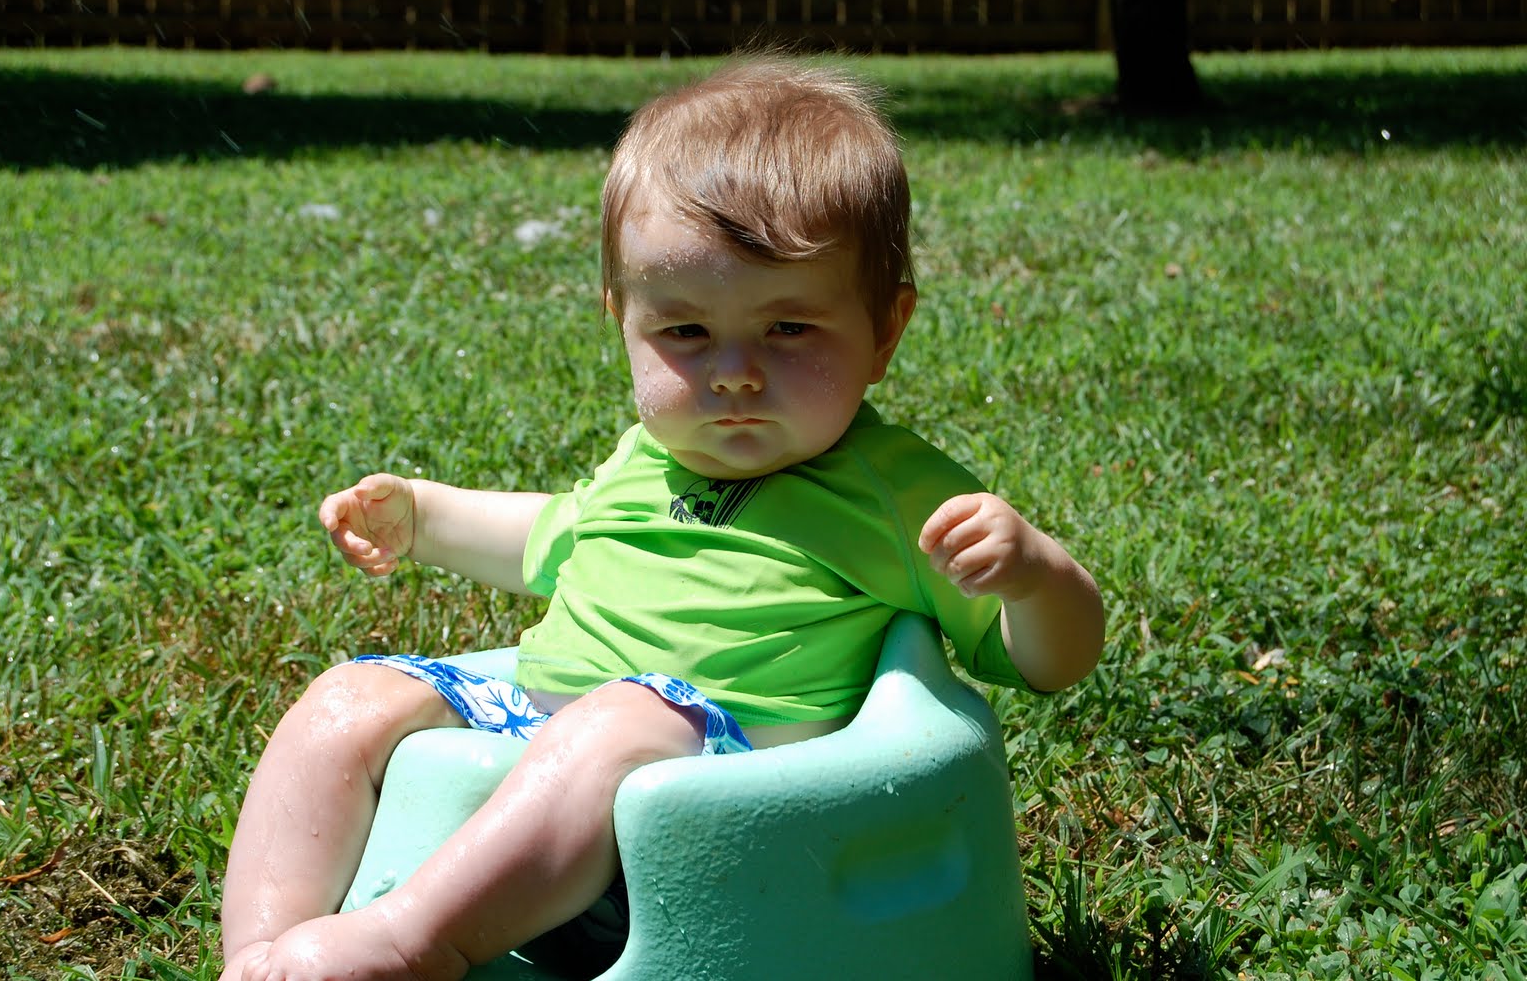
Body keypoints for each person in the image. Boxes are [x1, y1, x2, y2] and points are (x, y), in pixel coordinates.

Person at [219, 54, 1105, 981]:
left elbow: (1050, 663)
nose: (735, 373)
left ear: (884, 330)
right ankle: (262, 954)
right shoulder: (647, 459)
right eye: (685, 332)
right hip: (543, 723)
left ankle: (411, 941)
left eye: (789, 329)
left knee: (621, 717)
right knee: (348, 697)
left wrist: (1034, 578)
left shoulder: (896, 490)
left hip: (719, 770)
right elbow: (552, 540)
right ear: (623, 319)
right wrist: (425, 518)